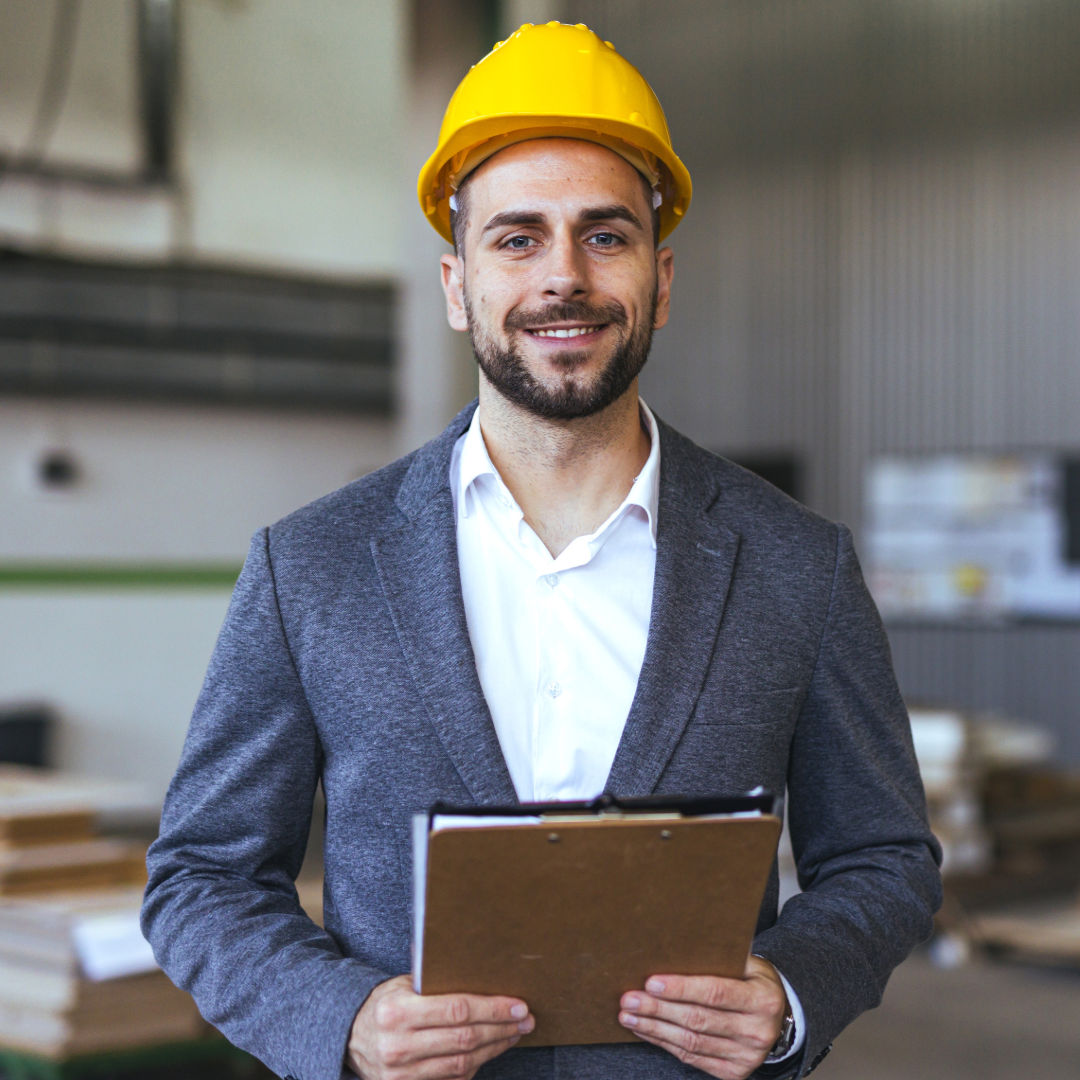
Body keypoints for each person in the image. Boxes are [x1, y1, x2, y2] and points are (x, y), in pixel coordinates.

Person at [142, 22, 941, 1080]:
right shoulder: (314, 568)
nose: (563, 278)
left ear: (661, 279)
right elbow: (201, 876)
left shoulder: (799, 566)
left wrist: (792, 995)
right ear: (455, 283)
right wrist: (344, 1018)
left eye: (604, 237)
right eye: (517, 238)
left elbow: (884, 860)